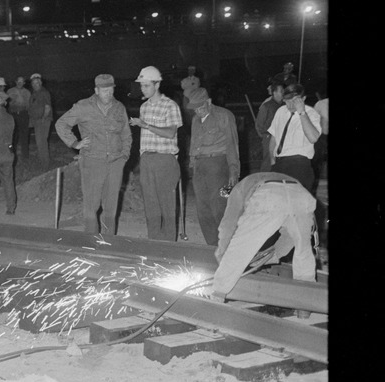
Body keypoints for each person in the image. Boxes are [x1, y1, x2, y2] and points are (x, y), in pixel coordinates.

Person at [209, 172, 317, 302]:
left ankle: (218, 295)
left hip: (269, 194)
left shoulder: (237, 190)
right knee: (303, 250)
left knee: (240, 247)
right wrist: (275, 254)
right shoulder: (257, 178)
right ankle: (305, 303)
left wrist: (222, 254)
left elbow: (228, 226)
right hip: (301, 195)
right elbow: (290, 236)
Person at [55, 73, 131, 235]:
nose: (108, 93)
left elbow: (126, 134)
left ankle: (109, 242)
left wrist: (124, 156)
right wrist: (75, 143)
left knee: (111, 206)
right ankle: (91, 242)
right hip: (92, 162)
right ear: (96, 90)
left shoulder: (119, 107)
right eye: (104, 90)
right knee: (91, 206)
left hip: (115, 162)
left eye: (111, 90)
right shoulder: (83, 107)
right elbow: (61, 124)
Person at [129, 65, 183, 241]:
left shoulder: (170, 106)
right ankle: (153, 244)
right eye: (141, 85)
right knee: (151, 205)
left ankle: (168, 246)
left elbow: (170, 133)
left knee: (167, 205)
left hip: (165, 160)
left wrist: (145, 125)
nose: (143, 89)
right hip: (147, 160)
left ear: (157, 85)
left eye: (146, 85)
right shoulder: (144, 107)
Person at [185, 88, 240, 246]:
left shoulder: (224, 116)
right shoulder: (196, 119)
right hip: (200, 166)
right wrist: (192, 166)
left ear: (209, 102)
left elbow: (232, 144)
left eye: (201, 107)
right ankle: (212, 246)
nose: (198, 111)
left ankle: (227, 246)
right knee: (203, 210)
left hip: (218, 164)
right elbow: (194, 144)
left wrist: (233, 172)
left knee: (219, 208)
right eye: (195, 109)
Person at [267, 83, 321, 192]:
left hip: (299, 165)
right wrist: (273, 161)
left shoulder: (311, 113)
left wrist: (302, 112)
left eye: (295, 101)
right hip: (279, 164)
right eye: (287, 101)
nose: (290, 105)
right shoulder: (280, 111)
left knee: (297, 205)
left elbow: (313, 138)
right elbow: (273, 138)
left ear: (303, 98)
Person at [255, 82, 286, 171]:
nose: (283, 92)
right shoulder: (266, 106)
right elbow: (259, 124)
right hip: (269, 137)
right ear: (274, 93)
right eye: (281, 91)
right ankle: (264, 180)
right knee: (268, 160)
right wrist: (265, 136)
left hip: (282, 136)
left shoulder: (284, 105)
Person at [28, 72, 53, 168]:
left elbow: (47, 107)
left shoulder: (44, 92)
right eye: (33, 83)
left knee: (41, 142)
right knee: (40, 142)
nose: (35, 85)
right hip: (37, 121)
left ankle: (45, 164)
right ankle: (43, 161)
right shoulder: (34, 93)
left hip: (43, 120)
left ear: (41, 83)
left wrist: (43, 118)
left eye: (37, 83)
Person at [7, 75, 31, 161]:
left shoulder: (27, 92)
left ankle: (25, 156)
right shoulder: (10, 91)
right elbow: (6, 104)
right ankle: (12, 156)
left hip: (23, 114)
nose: (20, 83)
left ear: (24, 83)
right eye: (18, 81)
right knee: (13, 136)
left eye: (22, 81)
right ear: (16, 82)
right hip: (13, 115)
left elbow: (29, 106)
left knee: (24, 136)